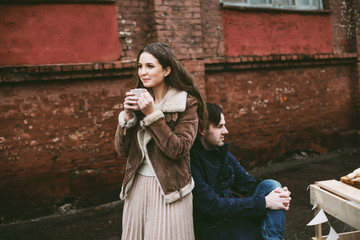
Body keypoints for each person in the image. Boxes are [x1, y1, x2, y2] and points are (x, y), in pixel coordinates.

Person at [114, 42, 207, 240]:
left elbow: (178, 149)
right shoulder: (139, 100)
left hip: (170, 189)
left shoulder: (186, 103)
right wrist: (128, 117)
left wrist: (153, 115)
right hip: (137, 186)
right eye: (140, 66)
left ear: (166, 70)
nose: (142, 72)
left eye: (149, 66)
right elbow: (122, 151)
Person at [190, 103, 291, 240]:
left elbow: (248, 183)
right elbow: (211, 205)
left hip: (233, 212)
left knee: (272, 186)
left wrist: (279, 195)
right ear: (202, 129)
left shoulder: (222, 153)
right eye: (219, 127)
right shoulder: (191, 160)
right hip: (213, 224)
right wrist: (265, 202)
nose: (226, 131)